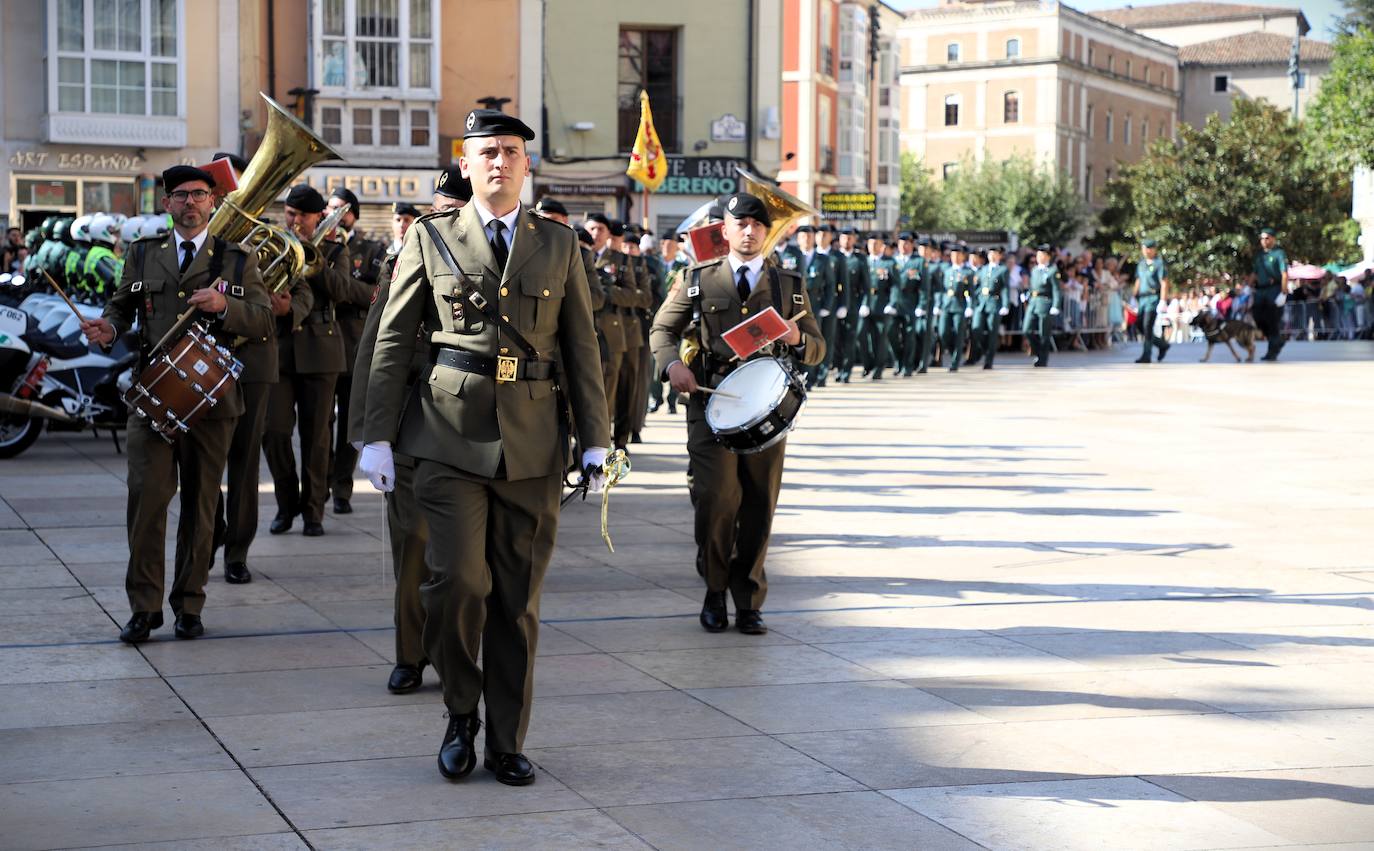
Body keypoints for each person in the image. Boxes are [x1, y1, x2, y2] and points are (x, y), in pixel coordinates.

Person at [359, 109, 609, 787]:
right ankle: (458, 711)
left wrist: (595, 439)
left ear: (527, 165)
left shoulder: (558, 244)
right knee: (457, 583)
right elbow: (390, 342)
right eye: (486, 152)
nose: (499, 161)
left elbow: (582, 349)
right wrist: (375, 435)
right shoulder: (432, 238)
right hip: (446, 435)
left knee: (517, 600)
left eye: (510, 151)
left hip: (531, 445)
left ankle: (505, 738)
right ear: (465, 164)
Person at [80, 165, 271, 642]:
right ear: (166, 204)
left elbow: (265, 320)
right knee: (145, 501)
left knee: (202, 506)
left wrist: (225, 306)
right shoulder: (144, 255)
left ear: (213, 203)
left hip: (212, 403)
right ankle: (144, 607)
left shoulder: (236, 258)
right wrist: (108, 327)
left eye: (200, 195)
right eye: (181, 195)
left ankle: (189, 603)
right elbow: (121, 308)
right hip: (154, 399)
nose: (190, 203)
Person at [650, 193, 824, 636]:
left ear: (767, 232)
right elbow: (662, 329)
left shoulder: (790, 285)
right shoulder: (696, 279)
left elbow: (819, 348)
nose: (748, 232)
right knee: (715, 501)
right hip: (711, 404)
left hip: (766, 410)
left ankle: (748, 599)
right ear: (723, 231)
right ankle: (714, 589)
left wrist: (796, 336)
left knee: (759, 506)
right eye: (739, 224)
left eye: (757, 225)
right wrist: (672, 365)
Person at [344, 167, 470, 695]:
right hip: (413, 425)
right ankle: (410, 655)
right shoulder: (404, 258)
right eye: (435, 206)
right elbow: (378, 347)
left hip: (472, 430)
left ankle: (456, 656)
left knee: (466, 562)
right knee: (413, 547)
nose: (437, 216)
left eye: (450, 208)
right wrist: (367, 433)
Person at [263, 185, 370, 537]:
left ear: (318, 217)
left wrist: (312, 262)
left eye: (302, 217)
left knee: (317, 436)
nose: (294, 222)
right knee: (275, 430)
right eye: (290, 214)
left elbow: (341, 289)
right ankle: (285, 501)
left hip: (321, 347)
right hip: (279, 348)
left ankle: (313, 511)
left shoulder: (334, 248)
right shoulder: (273, 245)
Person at [325, 186, 385, 514]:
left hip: (354, 346)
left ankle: (341, 490)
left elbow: (376, 293)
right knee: (320, 427)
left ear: (354, 215)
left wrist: (343, 290)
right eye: (331, 208)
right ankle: (320, 482)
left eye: (343, 209)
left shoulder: (372, 248)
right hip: (320, 347)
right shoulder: (320, 246)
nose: (336, 215)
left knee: (349, 424)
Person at [584, 213, 641, 430]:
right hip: (583, 331)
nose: (595, 234)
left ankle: (607, 442)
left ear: (608, 234)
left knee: (609, 391)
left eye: (600, 229)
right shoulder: (575, 255)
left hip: (611, 333)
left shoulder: (621, 259)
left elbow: (633, 295)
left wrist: (604, 291)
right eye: (592, 229)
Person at [794, 226, 835, 388]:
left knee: (812, 339)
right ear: (798, 239)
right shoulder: (792, 255)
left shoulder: (822, 259)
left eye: (810, 236)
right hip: (795, 304)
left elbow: (831, 284)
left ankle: (811, 377)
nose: (807, 239)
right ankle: (798, 376)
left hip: (814, 303)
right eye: (803, 236)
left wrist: (827, 305)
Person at [859, 233, 898, 380]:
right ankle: (868, 364)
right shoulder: (864, 261)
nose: (873, 247)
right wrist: (862, 303)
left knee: (880, 339)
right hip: (865, 304)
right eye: (870, 244)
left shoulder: (889, 263)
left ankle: (878, 368)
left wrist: (892, 303)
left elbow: (895, 285)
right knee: (860, 335)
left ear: (882, 245)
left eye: (876, 244)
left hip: (882, 304)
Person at [1252, 227, 1289, 361]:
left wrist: (1284, 292)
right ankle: (1277, 341)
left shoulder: (1279, 254)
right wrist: (1246, 287)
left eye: (1267, 238)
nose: (1264, 241)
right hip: (1260, 291)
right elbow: (1254, 274)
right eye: (1262, 238)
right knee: (1258, 317)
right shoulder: (1259, 256)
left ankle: (1272, 350)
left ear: (1273, 239)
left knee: (1272, 321)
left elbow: (1284, 274)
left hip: (1274, 290)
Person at [937, 243, 975, 371]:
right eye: (953, 255)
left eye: (958, 254)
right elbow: (941, 290)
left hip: (959, 305)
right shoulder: (946, 270)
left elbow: (970, 292)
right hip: (947, 304)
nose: (955, 257)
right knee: (943, 332)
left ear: (963, 256)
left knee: (959, 334)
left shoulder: (967, 272)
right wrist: (938, 304)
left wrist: (970, 306)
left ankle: (955, 361)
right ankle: (953, 350)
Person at [972, 246, 1011, 369]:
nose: (992, 256)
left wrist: (1005, 304)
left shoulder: (1002, 270)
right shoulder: (982, 269)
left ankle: (989, 360)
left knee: (992, 333)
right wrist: (973, 301)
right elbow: (977, 287)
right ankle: (982, 350)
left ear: (1000, 256)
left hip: (994, 302)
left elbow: (1005, 288)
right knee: (976, 329)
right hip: (981, 303)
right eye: (990, 254)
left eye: (995, 254)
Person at [1024, 244, 1063, 367]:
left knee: (1044, 333)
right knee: (1027, 329)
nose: (1038, 257)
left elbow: (1057, 290)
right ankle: (1037, 351)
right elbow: (1032, 286)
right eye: (1038, 255)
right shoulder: (1035, 270)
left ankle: (1043, 358)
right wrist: (1027, 294)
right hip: (1033, 302)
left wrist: (1056, 305)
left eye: (1041, 255)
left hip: (1045, 302)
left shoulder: (1052, 270)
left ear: (1048, 256)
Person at [1133, 238, 1171, 363]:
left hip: (1153, 298)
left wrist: (1163, 300)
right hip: (1142, 299)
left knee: (1147, 326)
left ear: (1154, 249)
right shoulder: (1141, 264)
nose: (1147, 251)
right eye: (1144, 248)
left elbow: (1164, 282)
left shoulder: (1159, 264)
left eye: (1149, 248)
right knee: (1139, 325)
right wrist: (1133, 296)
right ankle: (1161, 345)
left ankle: (1146, 354)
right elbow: (1138, 280)